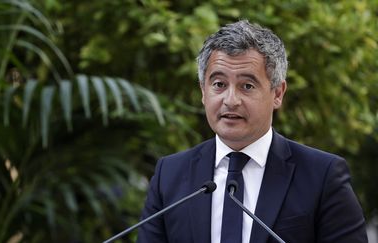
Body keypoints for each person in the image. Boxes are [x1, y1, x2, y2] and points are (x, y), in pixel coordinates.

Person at [137, 20, 367, 243]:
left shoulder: (322, 176)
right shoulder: (170, 175)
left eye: (247, 86)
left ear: (277, 93)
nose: (231, 100)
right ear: (203, 91)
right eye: (219, 84)